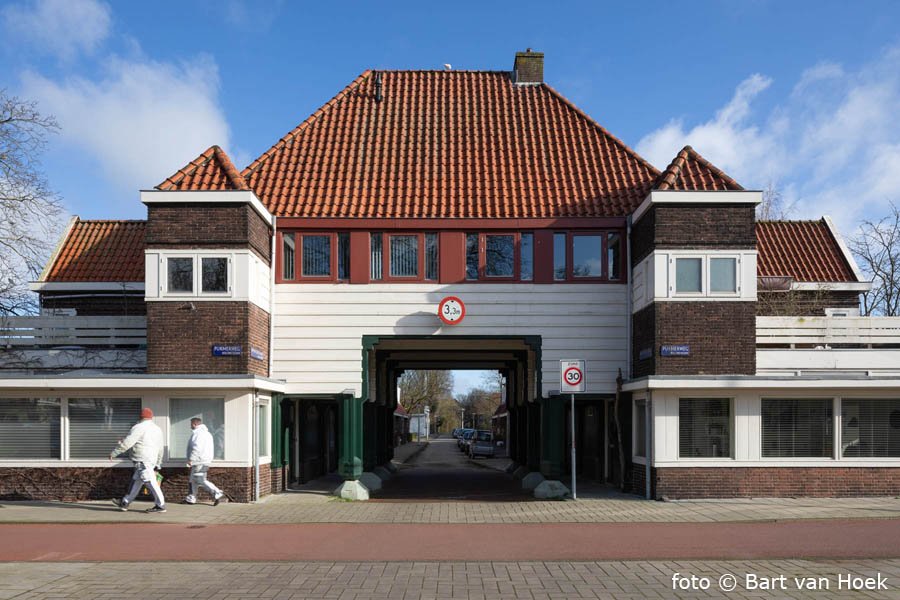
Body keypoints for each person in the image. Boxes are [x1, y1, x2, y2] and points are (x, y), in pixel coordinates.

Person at [109, 407, 166, 513]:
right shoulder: (157, 429)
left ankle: (160, 505)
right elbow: (160, 447)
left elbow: (128, 442)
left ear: (141, 417)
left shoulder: (138, 427)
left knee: (150, 482)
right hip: (151, 459)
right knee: (136, 481)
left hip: (142, 459)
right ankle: (125, 502)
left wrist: (115, 452)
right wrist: (158, 463)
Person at [183, 416, 225, 506]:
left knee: (199, 479)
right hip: (204, 460)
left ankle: (217, 493)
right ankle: (191, 498)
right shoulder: (207, 434)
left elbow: (197, 448)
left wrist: (191, 459)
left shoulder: (198, 434)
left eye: (191, 424)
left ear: (194, 424)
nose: (190, 426)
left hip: (199, 461)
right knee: (193, 480)